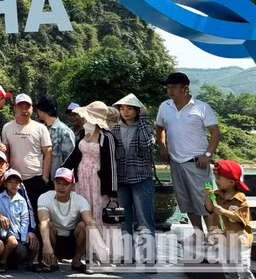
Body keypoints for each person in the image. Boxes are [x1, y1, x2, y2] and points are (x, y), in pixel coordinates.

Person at [156, 72, 220, 241]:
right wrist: (162, 147)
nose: (170, 91)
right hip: (176, 162)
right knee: (185, 201)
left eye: (174, 87)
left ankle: (214, 236)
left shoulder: (202, 107)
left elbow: (215, 133)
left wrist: (207, 155)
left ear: (185, 88)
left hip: (197, 162)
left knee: (208, 198)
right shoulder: (165, 106)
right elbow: (159, 128)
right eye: (168, 87)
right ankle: (198, 234)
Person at [61, 101, 118, 237]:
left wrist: (112, 192)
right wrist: (62, 172)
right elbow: (75, 155)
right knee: (83, 211)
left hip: (98, 181)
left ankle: (103, 249)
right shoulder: (83, 134)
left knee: (98, 212)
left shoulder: (107, 137)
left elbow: (111, 165)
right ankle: (85, 249)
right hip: (82, 180)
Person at [38, 168, 105, 273]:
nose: (61, 187)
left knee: (84, 226)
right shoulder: (44, 197)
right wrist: (46, 245)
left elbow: (90, 222)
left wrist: (100, 245)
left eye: (65, 184)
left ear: (73, 186)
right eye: (58, 183)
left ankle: (76, 261)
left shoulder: (80, 199)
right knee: (47, 224)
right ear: (54, 183)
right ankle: (52, 260)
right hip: (53, 239)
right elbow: (43, 222)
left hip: (71, 240)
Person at [1, 93, 52, 230]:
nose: (24, 111)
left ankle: (42, 248)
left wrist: (45, 177)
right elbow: (6, 152)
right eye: (21, 107)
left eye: (27, 107)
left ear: (32, 109)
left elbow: (48, 153)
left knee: (38, 214)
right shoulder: (7, 128)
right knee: (16, 215)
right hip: (15, 180)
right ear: (15, 108)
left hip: (36, 178)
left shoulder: (40, 128)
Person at [111, 93, 156, 238]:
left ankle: (148, 253)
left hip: (141, 178)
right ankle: (127, 254)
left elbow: (146, 144)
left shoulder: (146, 129)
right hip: (121, 180)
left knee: (144, 219)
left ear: (137, 110)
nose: (125, 111)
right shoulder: (114, 129)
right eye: (122, 108)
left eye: (129, 108)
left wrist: (143, 119)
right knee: (124, 218)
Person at [205, 160, 254, 279]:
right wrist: (207, 197)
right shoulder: (216, 195)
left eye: (219, 179)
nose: (216, 181)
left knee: (242, 268)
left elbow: (241, 218)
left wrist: (224, 212)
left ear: (231, 182)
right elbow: (210, 209)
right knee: (227, 268)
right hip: (223, 239)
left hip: (239, 241)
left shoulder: (239, 198)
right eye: (215, 178)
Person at [0, 169, 37, 272]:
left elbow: (25, 217)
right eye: (10, 182)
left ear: (20, 185)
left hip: (20, 228)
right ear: (4, 184)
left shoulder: (22, 200)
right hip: (7, 229)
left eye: (16, 182)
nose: (13, 185)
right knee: (12, 242)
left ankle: (30, 262)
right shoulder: (0, 198)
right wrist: (3, 233)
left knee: (35, 243)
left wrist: (24, 234)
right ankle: (3, 261)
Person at [35, 98, 75, 182]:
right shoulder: (42, 129)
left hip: (59, 180)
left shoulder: (64, 131)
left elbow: (70, 158)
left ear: (43, 111)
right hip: (43, 178)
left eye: (38, 109)